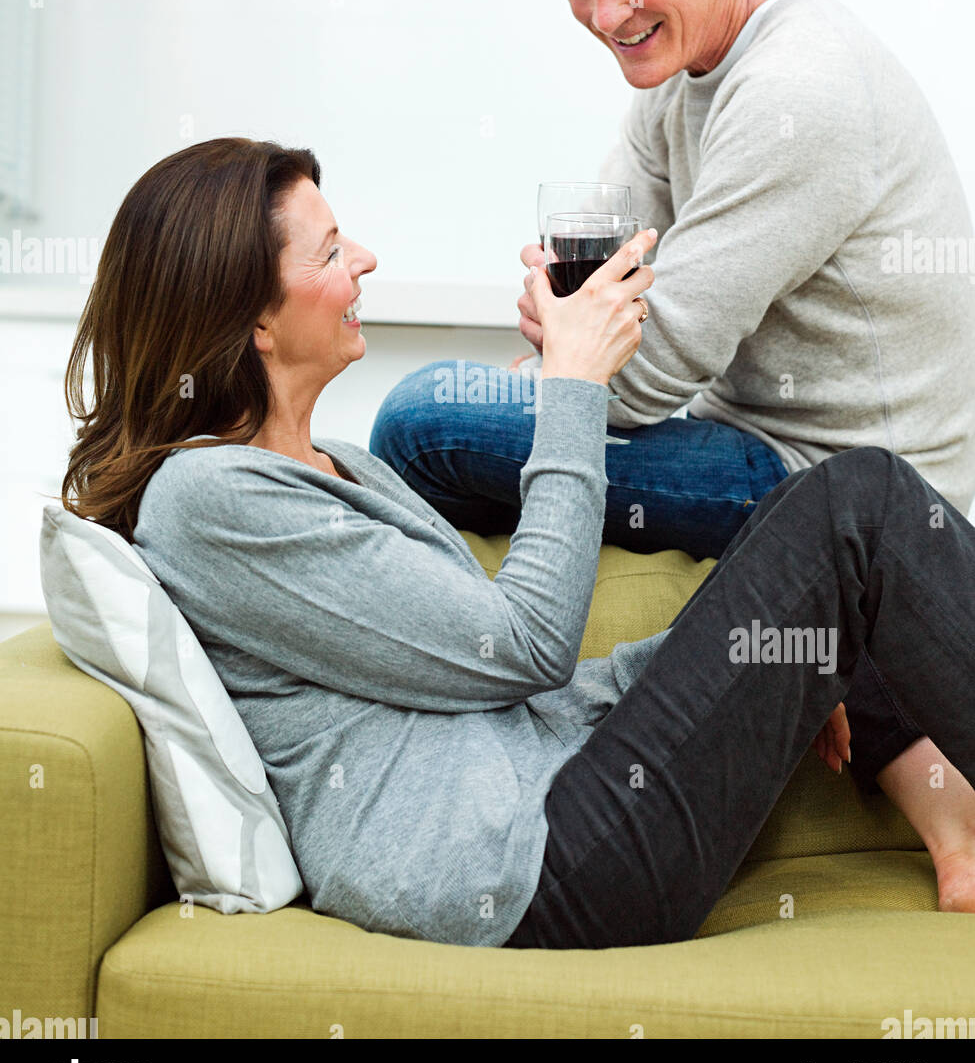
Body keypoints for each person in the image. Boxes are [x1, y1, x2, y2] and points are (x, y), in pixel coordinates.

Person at [60, 138, 975, 950]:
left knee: (814, 511)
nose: (366, 260)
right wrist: (571, 382)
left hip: (572, 798)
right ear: (252, 319)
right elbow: (525, 647)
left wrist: (771, 662)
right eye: (333, 250)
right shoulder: (208, 497)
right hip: (543, 869)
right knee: (857, 504)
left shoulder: (340, 467)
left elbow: (496, 692)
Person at [369, 0, 975, 561]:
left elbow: (637, 378)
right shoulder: (679, 62)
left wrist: (567, 352)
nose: (605, 15)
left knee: (423, 421)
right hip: (739, 439)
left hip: (847, 491)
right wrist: (572, 347)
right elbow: (593, 280)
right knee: (446, 431)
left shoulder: (798, 89)